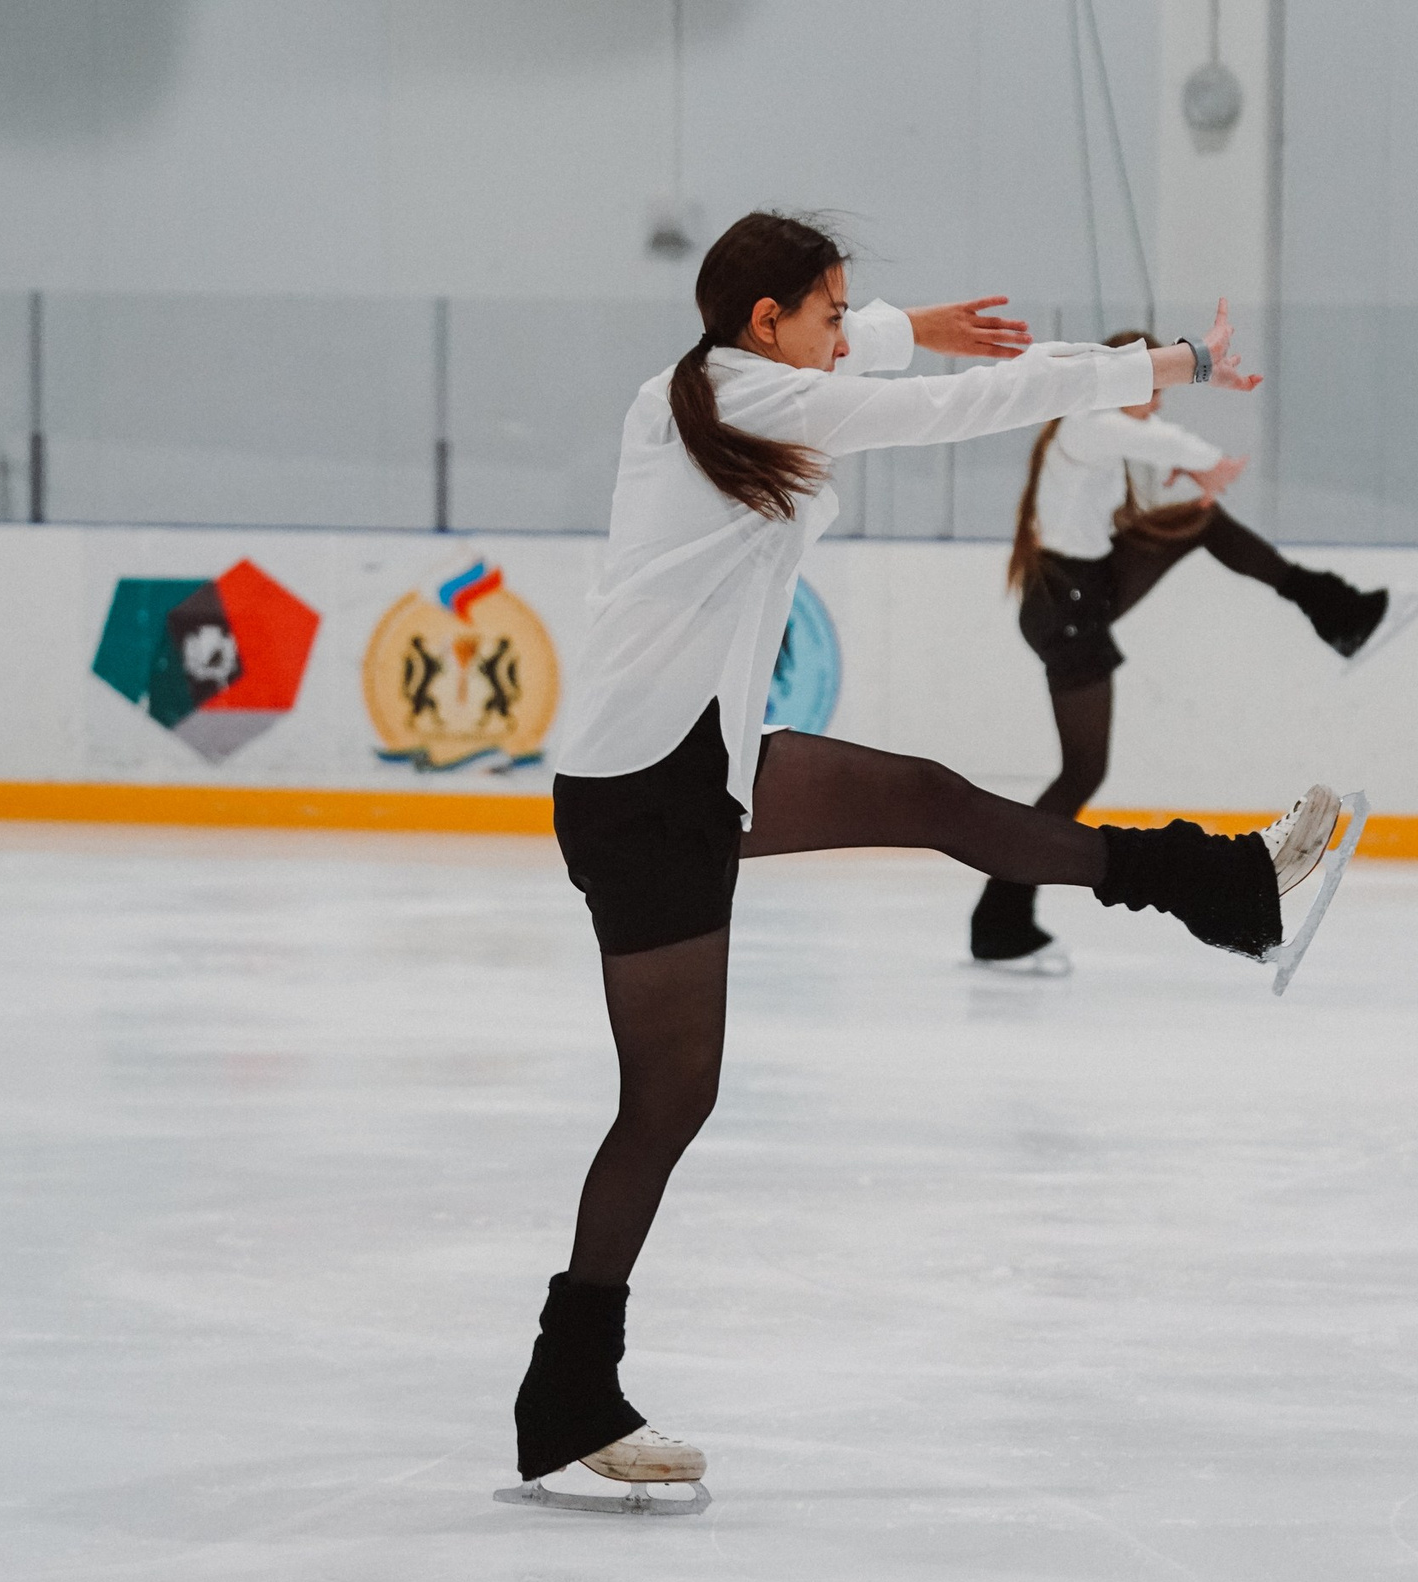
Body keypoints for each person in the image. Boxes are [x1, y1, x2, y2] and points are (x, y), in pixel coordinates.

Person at [507, 212, 1347, 1507]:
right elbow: (983, 405)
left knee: (934, 799)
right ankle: (567, 1386)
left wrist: (913, 327)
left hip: (685, 766)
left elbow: (868, 360)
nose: (851, 332)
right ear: (769, 320)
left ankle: (1225, 885)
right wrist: (1162, 363)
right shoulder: (758, 403)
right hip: (647, 795)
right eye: (833, 311)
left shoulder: (702, 388)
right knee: (670, 1099)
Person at [968, 333, 1418, 972]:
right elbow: (1148, 440)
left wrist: (1198, 468)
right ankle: (1000, 919)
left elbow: (1142, 449)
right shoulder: (1087, 423)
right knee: (1081, 774)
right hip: (1066, 607)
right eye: (1151, 387)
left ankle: (1343, 613)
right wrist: (1207, 458)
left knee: (1200, 523)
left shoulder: (1092, 432)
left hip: (1082, 590)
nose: (1155, 402)